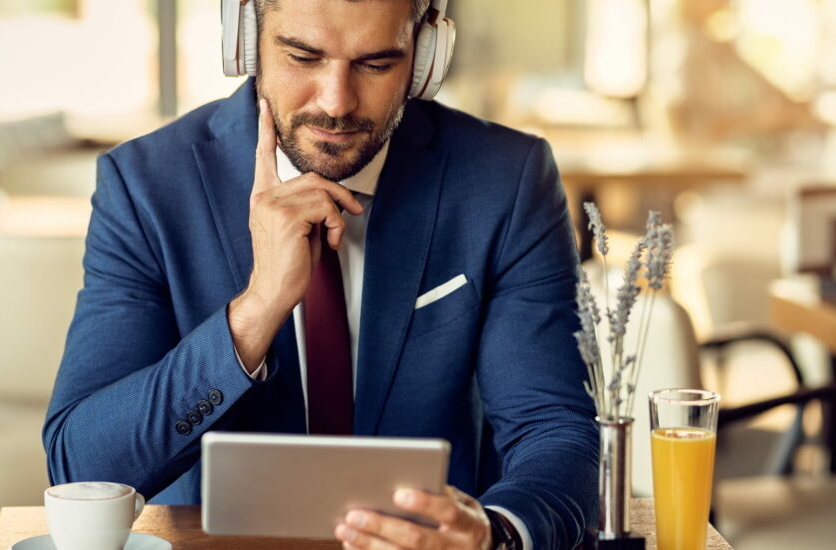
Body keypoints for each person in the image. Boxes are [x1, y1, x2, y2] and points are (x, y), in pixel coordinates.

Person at [43, 0, 597, 547]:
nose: (336, 103)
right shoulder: (146, 187)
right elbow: (81, 465)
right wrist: (255, 310)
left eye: (376, 64)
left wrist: (494, 535)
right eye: (303, 57)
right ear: (245, 42)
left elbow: (555, 431)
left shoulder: (507, 181)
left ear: (425, 57)